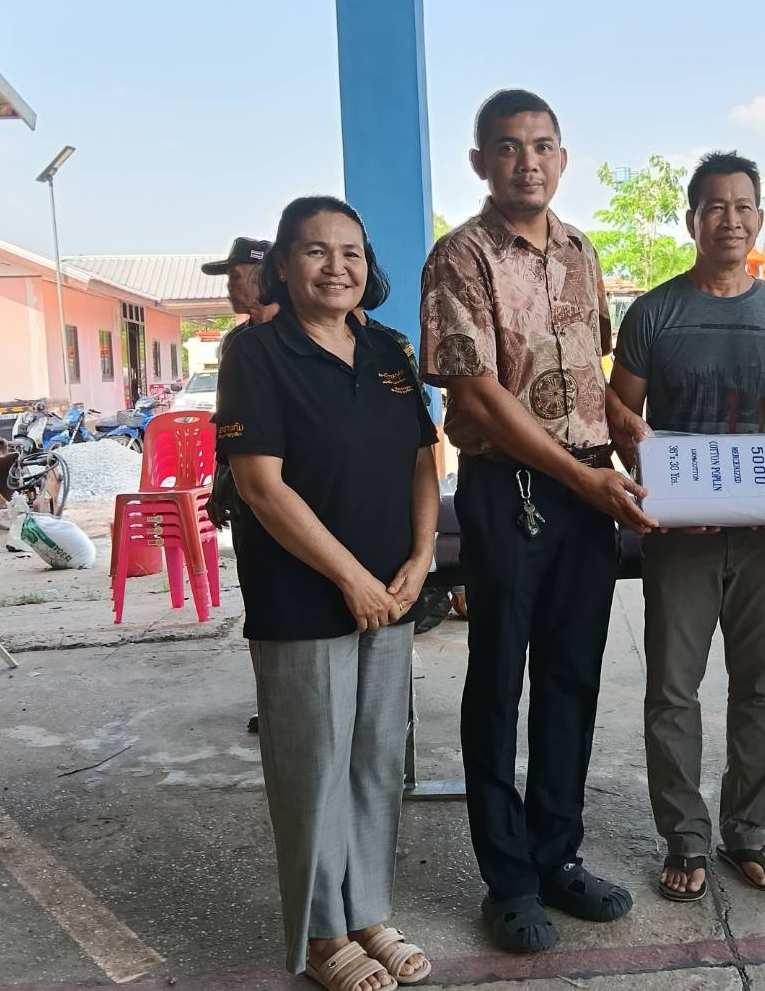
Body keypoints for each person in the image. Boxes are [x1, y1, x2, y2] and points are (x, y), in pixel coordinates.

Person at [418, 89, 655, 955]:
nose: (528, 161)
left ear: (562, 157)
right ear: (480, 161)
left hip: (587, 489)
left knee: (571, 675)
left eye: (543, 145)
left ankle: (558, 856)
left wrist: (645, 456)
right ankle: (509, 881)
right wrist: (580, 476)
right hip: (509, 487)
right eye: (509, 147)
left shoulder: (582, 251)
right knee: (498, 682)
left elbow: (592, 381)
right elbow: (479, 394)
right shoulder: (459, 256)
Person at [217, 196, 439, 990]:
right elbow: (260, 486)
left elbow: (423, 458)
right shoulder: (256, 353)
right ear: (283, 263)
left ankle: (368, 911)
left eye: (351, 251)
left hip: (391, 590)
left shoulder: (387, 349)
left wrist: (420, 559)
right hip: (303, 595)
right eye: (315, 251)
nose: (336, 266)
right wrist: (351, 579)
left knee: (375, 760)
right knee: (313, 768)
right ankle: (321, 934)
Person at [609, 151, 765, 903]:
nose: (729, 219)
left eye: (741, 206)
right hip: (680, 537)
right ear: (691, 218)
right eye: (714, 206)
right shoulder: (654, 312)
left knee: (760, 687)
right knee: (673, 690)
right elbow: (620, 415)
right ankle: (685, 838)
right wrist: (665, 492)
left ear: (759, 219)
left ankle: (747, 831)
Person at [202, 236, 278, 733]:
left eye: (236, 275)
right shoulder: (234, 342)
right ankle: (272, 701)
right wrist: (219, 484)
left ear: (266, 274)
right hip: (248, 495)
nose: (230, 286)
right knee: (260, 600)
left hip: (297, 494)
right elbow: (227, 424)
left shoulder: (299, 334)